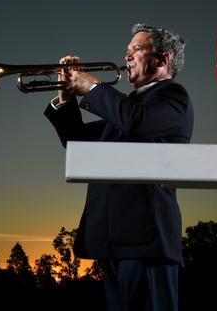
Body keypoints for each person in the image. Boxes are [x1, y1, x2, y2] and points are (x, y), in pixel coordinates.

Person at [44, 23, 194, 310]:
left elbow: (134, 121)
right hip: (111, 242)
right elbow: (78, 144)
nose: (127, 57)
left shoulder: (173, 96)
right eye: (127, 50)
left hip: (146, 243)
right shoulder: (124, 108)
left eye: (137, 49)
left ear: (164, 59)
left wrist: (91, 86)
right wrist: (66, 96)